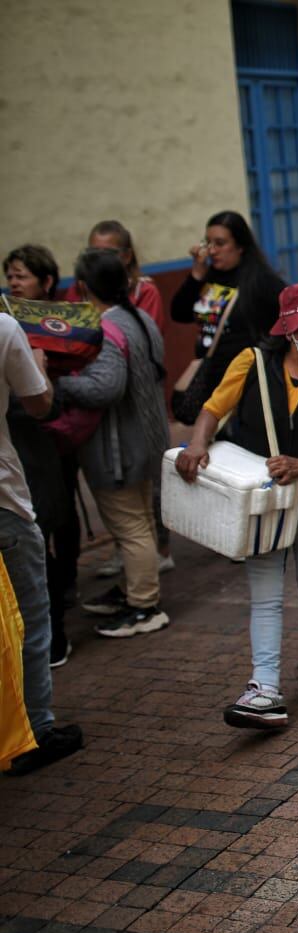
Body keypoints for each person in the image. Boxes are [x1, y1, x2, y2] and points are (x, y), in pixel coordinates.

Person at [176, 282, 298, 729]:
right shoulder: (253, 362)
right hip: (261, 497)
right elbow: (212, 408)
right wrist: (197, 445)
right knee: (265, 593)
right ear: (290, 331)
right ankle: (264, 687)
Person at [63, 250, 170, 638]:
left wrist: (55, 384)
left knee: (131, 528)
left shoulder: (107, 328)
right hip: (146, 439)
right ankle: (133, 590)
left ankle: (144, 606)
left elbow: (105, 387)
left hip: (119, 448)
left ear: (82, 289)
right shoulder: (138, 317)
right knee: (140, 521)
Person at [0, 305, 85, 776]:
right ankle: (34, 731)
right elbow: (39, 403)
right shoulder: (4, 327)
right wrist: (38, 364)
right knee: (30, 620)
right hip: (3, 502)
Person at [4, 246, 82, 667]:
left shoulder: (58, 322)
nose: (14, 283)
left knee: (49, 526)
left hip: (42, 445)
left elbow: (47, 402)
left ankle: (53, 630)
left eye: (22, 275)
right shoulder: (7, 326)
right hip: (22, 446)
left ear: (46, 281)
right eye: (10, 276)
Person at [170, 211, 287, 406]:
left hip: (246, 382)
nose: (212, 251)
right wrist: (196, 275)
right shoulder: (209, 277)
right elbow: (179, 313)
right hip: (210, 378)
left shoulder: (260, 281)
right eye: (208, 243)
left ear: (240, 246)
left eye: (220, 243)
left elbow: (288, 318)